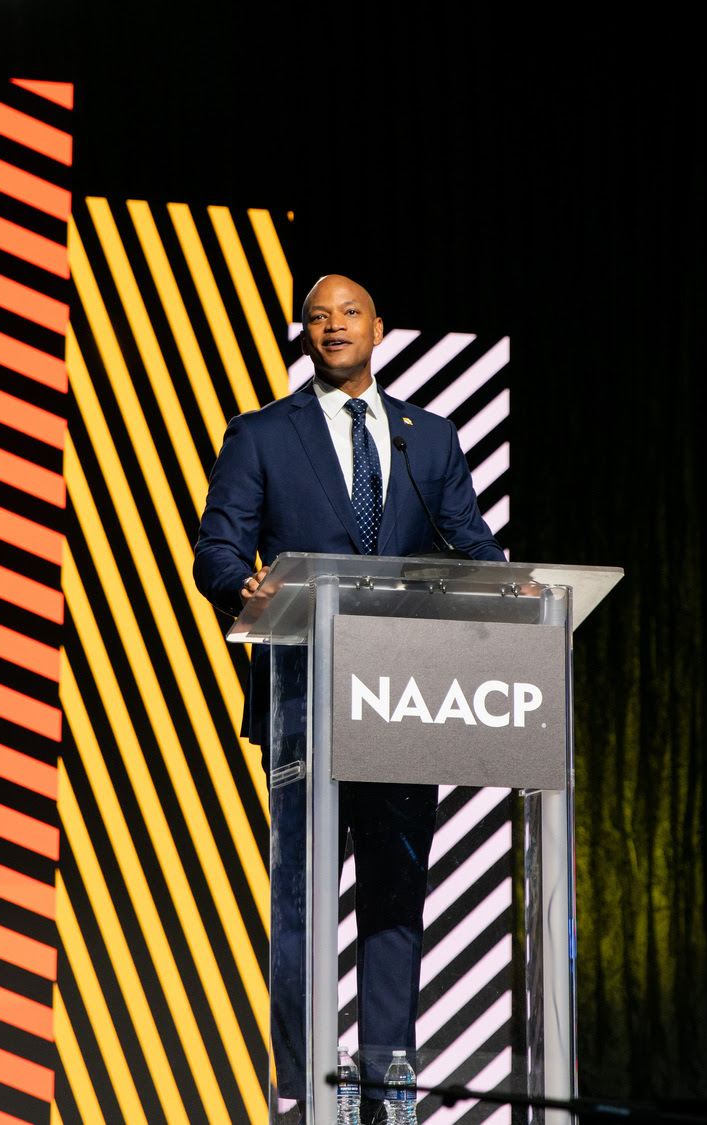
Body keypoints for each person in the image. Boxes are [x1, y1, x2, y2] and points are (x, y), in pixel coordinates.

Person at [193, 275, 504, 1121]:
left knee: (397, 903)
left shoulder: (427, 439)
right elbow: (216, 545)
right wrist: (240, 583)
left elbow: (471, 544)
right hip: (303, 694)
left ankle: (389, 1095)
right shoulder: (260, 434)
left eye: (349, 313)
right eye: (318, 317)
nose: (333, 326)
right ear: (306, 336)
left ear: (379, 330)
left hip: (406, 694)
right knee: (301, 899)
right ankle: (306, 1087)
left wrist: (515, 589)